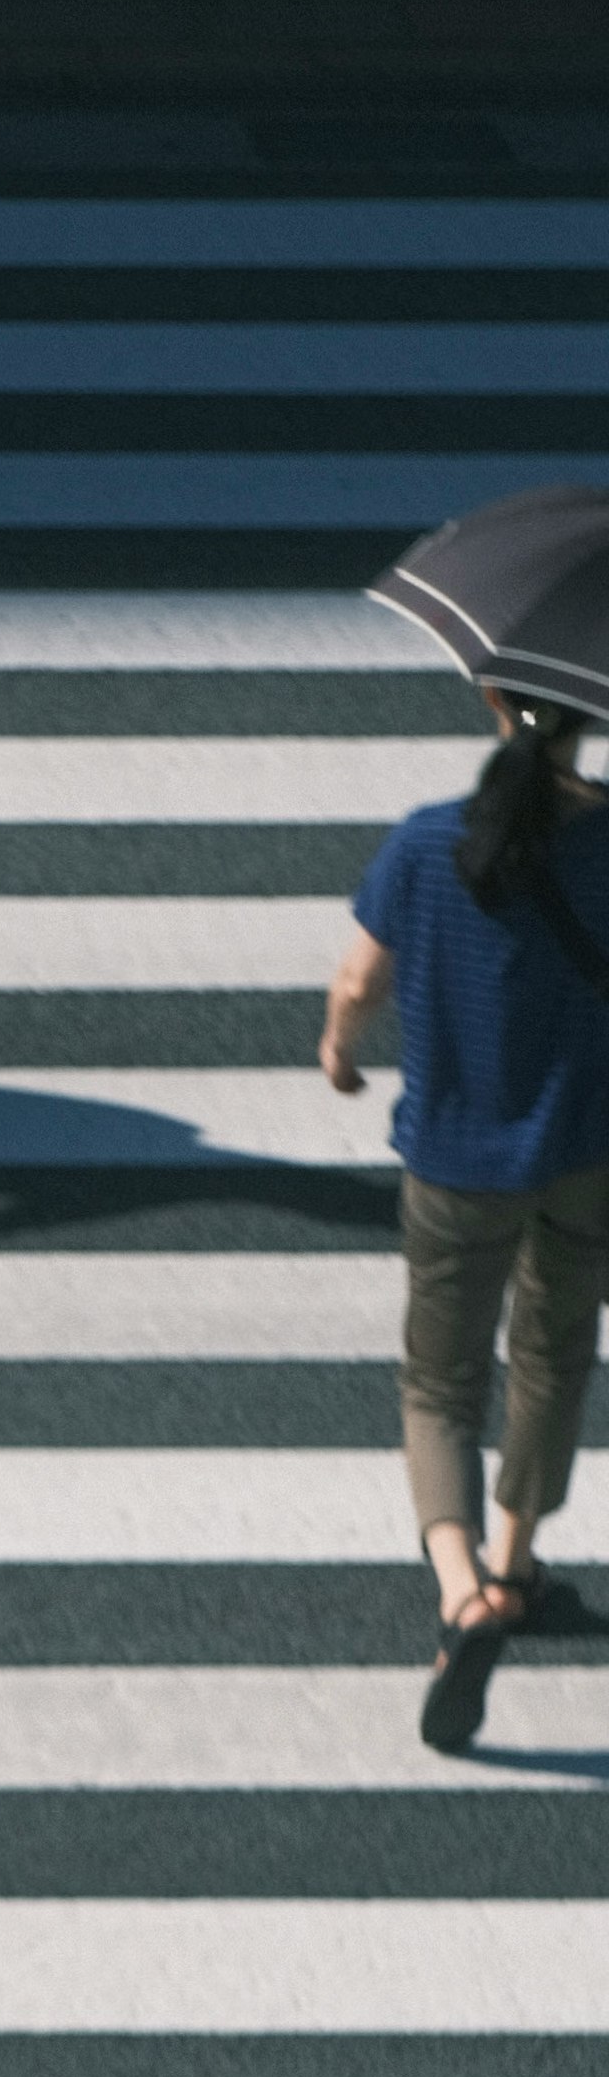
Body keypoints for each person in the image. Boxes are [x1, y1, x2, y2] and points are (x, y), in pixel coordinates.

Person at [321, 679, 609, 1753]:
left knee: (441, 1377)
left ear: (492, 695)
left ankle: (462, 1592)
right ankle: (520, 1561)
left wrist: (339, 1052)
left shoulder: (428, 842)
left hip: (455, 1157)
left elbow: (358, 982)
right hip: (588, 1147)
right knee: (552, 1353)